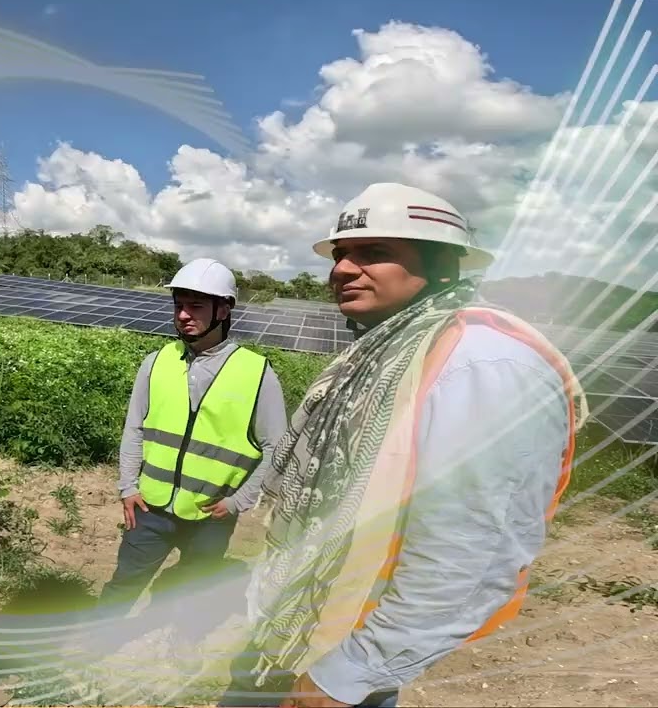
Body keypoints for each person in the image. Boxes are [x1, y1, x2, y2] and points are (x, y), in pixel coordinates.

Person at [219, 182, 589, 708]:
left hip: (339, 659)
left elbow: (473, 549)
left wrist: (350, 673)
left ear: (441, 267)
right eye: (342, 254)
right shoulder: (379, 353)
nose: (343, 269)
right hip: (290, 634)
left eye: (376, 254)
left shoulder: (484, 364)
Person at [96, 258, 288, 651]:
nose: (183, 315)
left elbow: (276, 447)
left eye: (196, 306)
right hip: (150, 506)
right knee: (126, 579)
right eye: (179, 305)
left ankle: (183, 641)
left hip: (210, 514)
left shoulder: (257, 373)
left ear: (224, 310)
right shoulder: (156, 362)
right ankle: (100, 639)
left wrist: (239, 501)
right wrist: (127, 487)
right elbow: (134, 428)